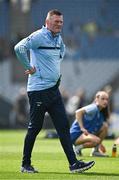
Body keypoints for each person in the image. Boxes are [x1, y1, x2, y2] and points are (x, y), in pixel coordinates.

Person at [14, 9, 95, 173]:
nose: (60, 25)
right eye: (56, 22)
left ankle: (74, 164)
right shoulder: (38, 36)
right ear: (47, 22)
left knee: (63, 127)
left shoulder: (58, 38)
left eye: (61, 22)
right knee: (35, 128)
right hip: (38, 91)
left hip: (53, 91)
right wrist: (29, 67)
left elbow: (61, 52)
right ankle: (25, 164)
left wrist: (54, 73)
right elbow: (18, 48)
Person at [70, 91, 109, 157]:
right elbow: (78, 112)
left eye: (107, 99)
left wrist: (100, 144)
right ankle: (76, 149)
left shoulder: (101, 112)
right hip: (76, 135)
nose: (105, 101)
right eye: (102, 99)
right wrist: (82, 127)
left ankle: (95, 151)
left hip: (84, 135)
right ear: (97, 99)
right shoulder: (93, 108)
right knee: (97, 140)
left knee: (104, 126)